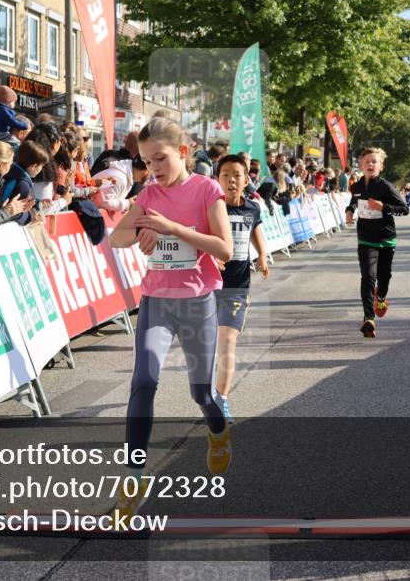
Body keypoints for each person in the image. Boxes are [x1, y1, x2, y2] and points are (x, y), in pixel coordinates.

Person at [107, 116, 234, 521]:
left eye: (160, 158)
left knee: (203, 394)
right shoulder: (148, 195)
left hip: (197, 301)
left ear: (182, 152)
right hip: (157, 300)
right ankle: (133, 480)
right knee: (143, 382)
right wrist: (143, 233)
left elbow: (224, 249)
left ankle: (218, 432)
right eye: (146, 161)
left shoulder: (206, 189)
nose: (154, 168)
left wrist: (171, 229)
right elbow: (117, 238)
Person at [213, 154, 269, 422]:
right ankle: (206, 394)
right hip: (207, 285)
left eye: (237, 175)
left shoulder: (252, 208)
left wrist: (262, 255)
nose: (231, 180)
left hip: (236, 286)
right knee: (203, 345)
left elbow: (255, 230)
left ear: (246, 180)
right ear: (217, 179)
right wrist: (209, 254)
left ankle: (221, 399)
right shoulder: (211, 207)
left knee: (227, 341)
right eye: (225, 175)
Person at [344, 148, 408, 338]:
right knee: (368, 277)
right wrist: (349, 211)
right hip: (365, 238)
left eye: (374, 162)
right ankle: (368, 319)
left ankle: (381, 298)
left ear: (381, 166)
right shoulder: (356, 187)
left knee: (384, 276)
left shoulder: (386, 187)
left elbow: (404, 209)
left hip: (386, 238)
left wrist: (384, 207)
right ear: (361, 165)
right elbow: (354, 201)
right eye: (366, 162)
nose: (370, 164)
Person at [1, 140, 51, 226]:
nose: (41, 169)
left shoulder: (10, 171)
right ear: (34, 166)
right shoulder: (23, 184)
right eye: (41, 166)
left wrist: (37, 203)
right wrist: (30, 217)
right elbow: (16, 212)